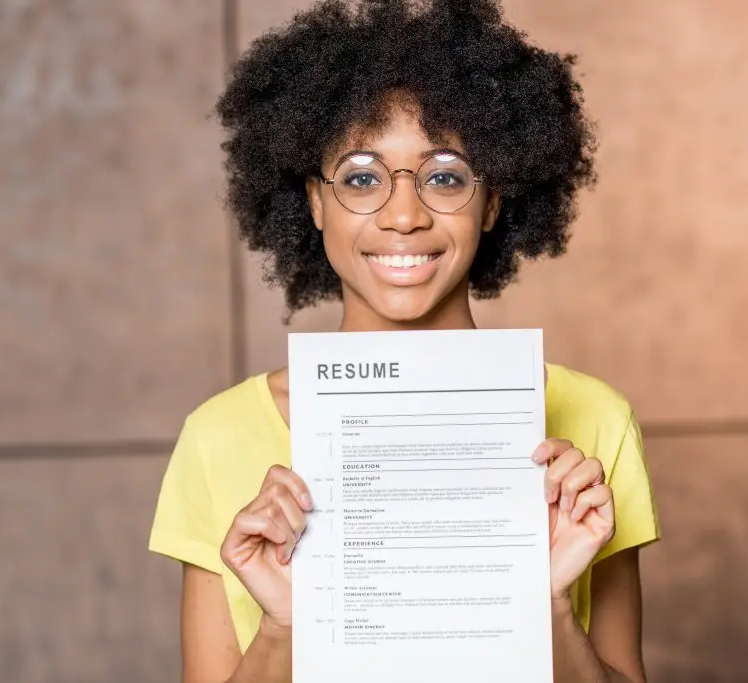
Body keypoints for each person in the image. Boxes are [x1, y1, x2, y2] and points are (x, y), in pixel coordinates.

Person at [149, 1, 660, 681]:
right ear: (315, 201)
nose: (403, 215)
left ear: (494, 200)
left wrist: (546, 603)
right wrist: (284, 629)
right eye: (361, 176)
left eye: (444, 175)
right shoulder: (219, 437)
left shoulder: (594, 422)